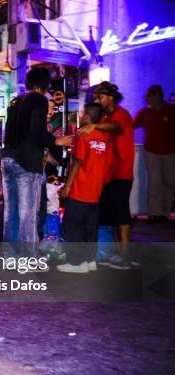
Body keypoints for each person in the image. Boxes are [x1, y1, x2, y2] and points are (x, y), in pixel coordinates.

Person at [2, 67, 73, 251]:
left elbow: (7, 133)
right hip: (26, 161)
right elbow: (37, 129)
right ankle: (27, 258)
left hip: (8, 159)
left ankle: (10, 256)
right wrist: (55, 140)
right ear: (44, 85)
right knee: (28, 215)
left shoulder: (15, 101)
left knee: (11, 214)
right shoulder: (38, 99)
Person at [80, 81, 134, 270]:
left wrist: (94, 126)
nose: (97, 100)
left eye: (100, 96)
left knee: (121, 215)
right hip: (107, 174)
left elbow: (114, 126)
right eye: (95, 97)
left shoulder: (121, 114)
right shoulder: (103, 117)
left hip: (121, 172)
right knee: (111, 216)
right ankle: (117, 254)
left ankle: (125, 256)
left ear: (110, 97)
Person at [57, 103, 110, 273]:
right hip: (96, 191)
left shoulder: (84, 135)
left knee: (72, 225)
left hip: (80, 189)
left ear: (87, 117)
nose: (79, 114)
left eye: (82, 112)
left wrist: (67, 186)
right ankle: (89, 261)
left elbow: (78, 162)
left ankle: (75, 263)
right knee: (90, 227)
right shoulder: (103, 135)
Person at [133, 85, 174, 223]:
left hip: (170, 152)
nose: (147, 99)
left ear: (158, 97)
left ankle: (165, 213)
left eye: (150, 97)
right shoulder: (144, 113)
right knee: (154, 181)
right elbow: (131, 125)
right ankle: (154, 213)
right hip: (151, 152)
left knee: (169, 182)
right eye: (147, 97)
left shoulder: (171, 110)